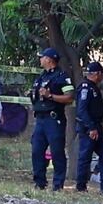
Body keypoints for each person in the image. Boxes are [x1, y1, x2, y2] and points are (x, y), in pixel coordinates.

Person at [29, 48, 74, 190]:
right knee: (37, 150)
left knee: (57, 152)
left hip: (54, 119)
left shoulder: (62, 76)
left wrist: (51, 96)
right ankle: (39, 182)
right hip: (40, 120)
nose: (40, 60)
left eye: (42, 57)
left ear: (49, 59)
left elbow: (69, 97)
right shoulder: (41, 77)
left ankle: (57, 184)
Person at [74, 62, 103, 195]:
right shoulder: (85, 88)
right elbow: (82, 111)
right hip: (88, 129)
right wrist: (91, 128)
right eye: (101, 74)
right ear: (97, 74)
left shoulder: (93, 87)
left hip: (96, 128)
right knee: (85, 157)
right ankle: (81, 187)